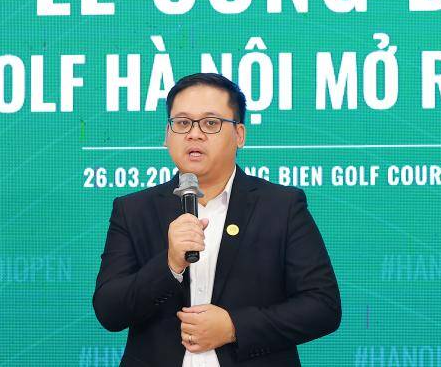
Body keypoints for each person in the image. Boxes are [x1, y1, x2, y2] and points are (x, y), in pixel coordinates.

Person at [93, 73, 341, 366]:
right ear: (167, 134)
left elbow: (322, 307)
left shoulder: (281, 207)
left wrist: (234, 327)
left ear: (239, 135)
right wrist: (169, 265)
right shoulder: (133, 210)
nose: (194, 134)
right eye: (182, 123)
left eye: (210, 123)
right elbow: (109, 311)